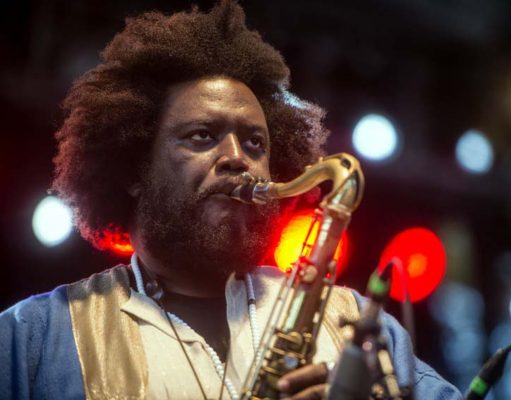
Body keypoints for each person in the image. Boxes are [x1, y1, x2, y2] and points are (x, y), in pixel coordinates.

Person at [0, 1, 463, 399]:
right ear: (133, 169)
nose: (237, 159)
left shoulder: (359, 327)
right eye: (202, 136)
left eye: (255, 144)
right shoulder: (32, 339)